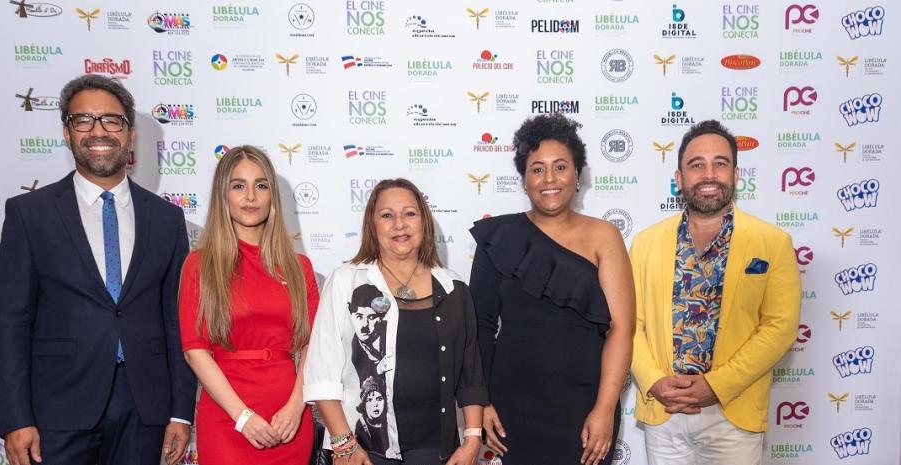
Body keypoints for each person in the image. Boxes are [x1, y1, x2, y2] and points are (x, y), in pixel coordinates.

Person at [0, 74, 196, 465]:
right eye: (84, 120)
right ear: (67, 133)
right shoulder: (29, 215)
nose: (98, 131)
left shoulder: (167, 219)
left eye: (112, 121)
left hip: (146, 409)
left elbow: (177, 321)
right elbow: (10, 323)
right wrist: (15, 419)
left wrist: (181, 411)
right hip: (57, 410)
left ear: (130, 135)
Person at [629, 120, 801, 465]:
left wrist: (717, 385)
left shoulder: (772, 242)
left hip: (733, 414)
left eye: (719, 163)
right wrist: (654, 381)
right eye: (697, 165)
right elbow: (630, 323)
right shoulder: (645, 243)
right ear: (679, 178)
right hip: (665, 412)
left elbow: (779, 328)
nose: (709, 174)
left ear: (736, 174)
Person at [470, 114, 635, 465]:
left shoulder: (604, 236)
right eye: (537, 169)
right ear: (524, 179)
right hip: (513, 408)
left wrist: (605, 409)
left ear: (577, 174)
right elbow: (480, 328)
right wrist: (481, 403)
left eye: (560, 167)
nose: (549, 179)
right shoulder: (497, 238)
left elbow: (622, 328)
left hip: (585, 408)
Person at [304, 178, 488, 465]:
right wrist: (344, 445)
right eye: (387, 215)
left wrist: (473, 438)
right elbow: (321, 373)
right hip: (364, 449)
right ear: (372, 225)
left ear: (424, 222)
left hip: (437, 449)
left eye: (409, 213)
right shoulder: (346, 282)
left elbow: (470, 371)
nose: (399, 224)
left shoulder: (453, 287)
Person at [178, 145, 319, 464]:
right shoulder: (200, 265)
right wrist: (242, 417)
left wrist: (297, 406)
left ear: (273, 196)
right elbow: (194, 350)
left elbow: (314, 345)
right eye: (238, 185)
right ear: (223, 196)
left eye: (261, 185)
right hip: (228, 420)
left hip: (290, 421)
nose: (251, 196)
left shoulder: (299, 267)